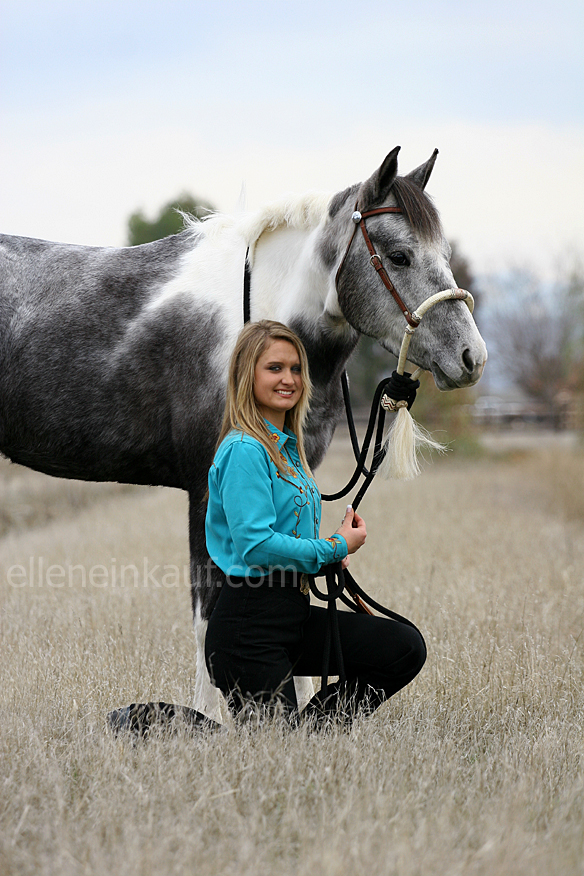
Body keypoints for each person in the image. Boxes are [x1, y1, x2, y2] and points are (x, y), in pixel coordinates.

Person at [204, 320, 426, 726]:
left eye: (295, 369)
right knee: (271, 756)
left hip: (293, 612)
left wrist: (324, 558)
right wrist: (334, 548)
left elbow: (284, 539)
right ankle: (143, 722)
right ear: (245, 374)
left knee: (404, 647)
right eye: (274, 368)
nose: (289, 379)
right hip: (247, 627)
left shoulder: (288, 450)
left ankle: (314, 736)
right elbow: (255, 546)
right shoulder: (243, 450)